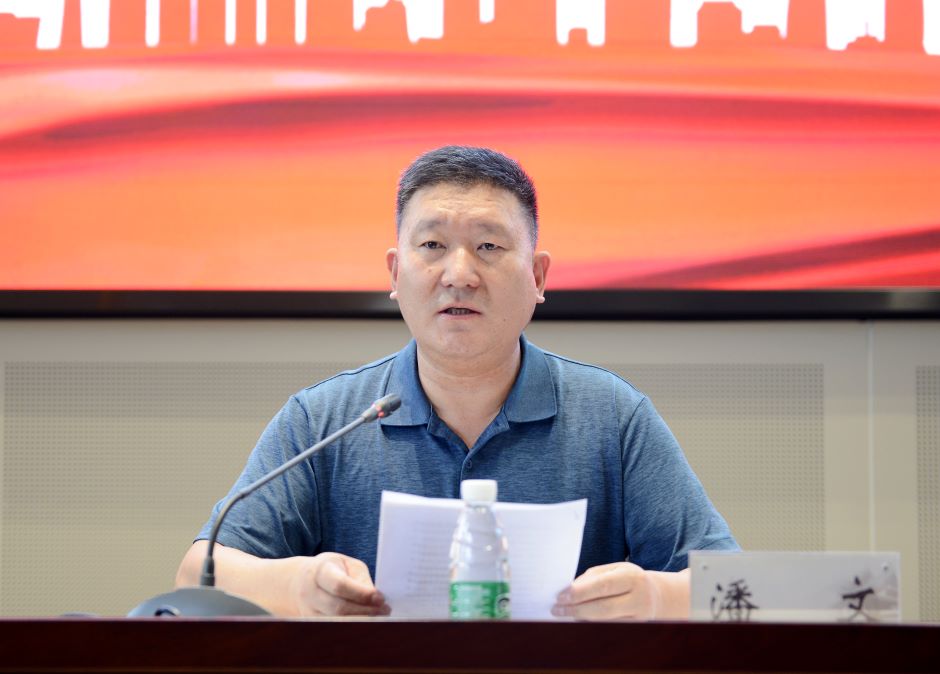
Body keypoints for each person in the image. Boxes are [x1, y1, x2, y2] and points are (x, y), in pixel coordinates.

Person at [176, 145, 738, 619]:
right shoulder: (325, 419)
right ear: (395, 273)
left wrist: (657, 596)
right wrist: (298, 586)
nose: (460, 274)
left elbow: (734, 586)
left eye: (489, 247)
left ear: (537, 276)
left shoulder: (611, 416)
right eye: (432, 246)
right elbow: (197, 574)